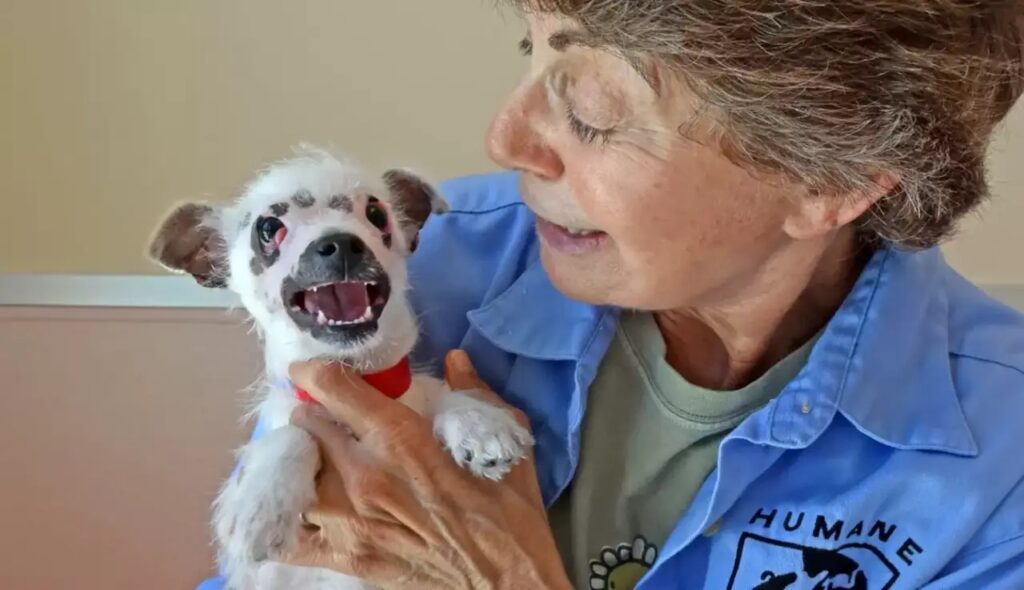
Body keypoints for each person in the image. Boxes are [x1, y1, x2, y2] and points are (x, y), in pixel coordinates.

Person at [199, 1, 1024, 588]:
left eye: (594, 108)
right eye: (536, 51)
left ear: (829, 182)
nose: (505, 137)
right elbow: (268, 561)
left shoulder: (998, 475)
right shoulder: (433, 266)